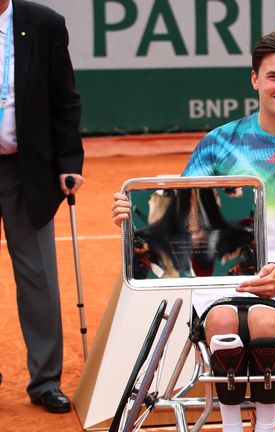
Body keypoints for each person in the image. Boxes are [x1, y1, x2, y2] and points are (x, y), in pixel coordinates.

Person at [112, 30, 275, 432]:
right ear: (255, 79)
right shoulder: (217, 143)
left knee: (264, 326)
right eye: (274, 76)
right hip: (217, 280)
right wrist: (133, 216)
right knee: (225, 324)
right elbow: (179, 219)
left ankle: (264, 428)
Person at [0, 0, 84, 413]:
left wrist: (69, 163)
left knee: (39, 279)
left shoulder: (44, 24)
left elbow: (64, 101)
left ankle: (45, 380)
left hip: (26, 169)